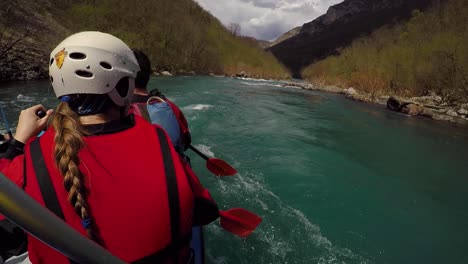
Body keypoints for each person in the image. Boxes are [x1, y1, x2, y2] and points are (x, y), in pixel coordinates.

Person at [0, 31, 218, 264]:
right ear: (124, 88)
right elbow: (206, 211)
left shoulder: (31, 157)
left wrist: (17, 144)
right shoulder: (159, 140)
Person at [130, 50, 191, 156]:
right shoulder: (169, 106)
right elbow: (186, 142)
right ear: (149, 75)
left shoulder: (115, 111)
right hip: (171, 168)